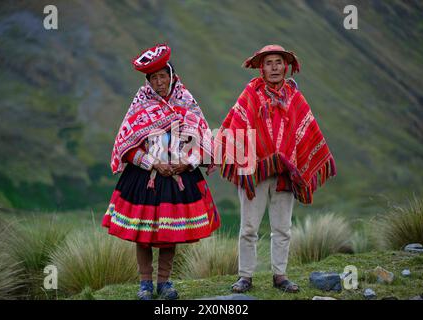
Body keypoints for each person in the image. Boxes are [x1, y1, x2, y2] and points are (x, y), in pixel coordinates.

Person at [103, 44, 220, 300]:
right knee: (143, 235)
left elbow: (202, 143)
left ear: (172, 76)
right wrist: (152, 163)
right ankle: (145, 284)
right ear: (148, 81)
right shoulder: (139, 107)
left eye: (163, 76)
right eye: (153, 78)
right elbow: (126, 148)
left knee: (170, 234)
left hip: (179, 176)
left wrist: (186, 163)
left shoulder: (186, 103)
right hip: (146, 179)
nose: (159, 82)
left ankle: (164, 284)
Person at [215, 44, 336, 293]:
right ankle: (245, 276)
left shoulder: (295, 97)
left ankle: (280, 275)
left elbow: (306, 129)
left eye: (278, 62)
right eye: (268, 63)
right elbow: (235, 124)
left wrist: (296, 162)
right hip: (255, 174)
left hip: (285, 175)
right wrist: (232, 155)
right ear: (261, 67)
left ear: (286, 66)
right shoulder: (251, 93)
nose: (274, 68)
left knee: (282, 228)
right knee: (248, 227)